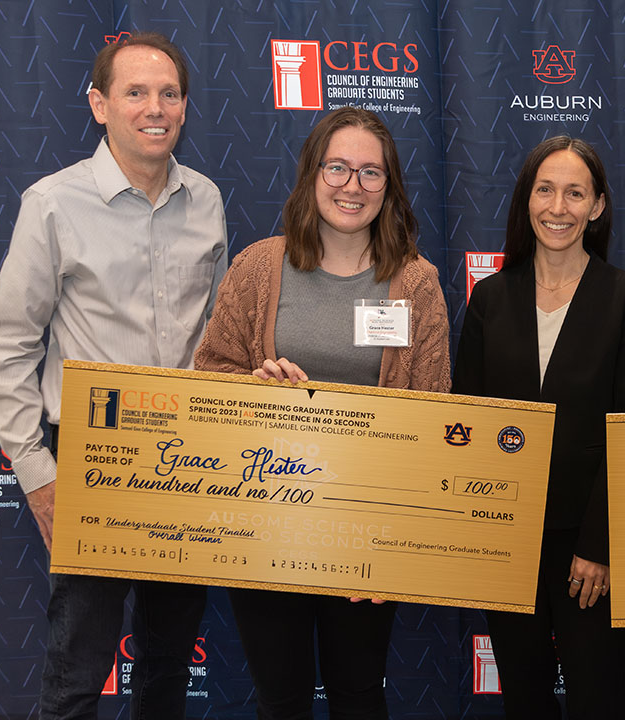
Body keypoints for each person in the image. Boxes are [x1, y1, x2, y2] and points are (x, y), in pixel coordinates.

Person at [0, 32, 226, 719]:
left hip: (186, 461)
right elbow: (6, 345)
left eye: (169, 93)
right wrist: (40, 474)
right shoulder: (53, 204)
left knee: (169, 665)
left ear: (184, 106)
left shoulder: (206, 201)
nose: (156, 108)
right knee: (77, 673)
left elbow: (218, 339)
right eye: (136, 92)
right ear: (99, 104)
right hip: (90, 461)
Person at [194, 106, 449, 719]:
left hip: (367, 530)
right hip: (264, 523)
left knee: (358, 694)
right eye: (337, 167)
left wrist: (392, 547)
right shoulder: (259, 265)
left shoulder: (416, 283)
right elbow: (210, 376)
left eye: (370, 172)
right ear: (313, 174)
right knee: (280, 698)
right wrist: (258, 385)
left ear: (389, 188)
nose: (351, 186)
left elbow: (434, 416)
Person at [453, 136, 625, 719]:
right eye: (545, 190)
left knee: (596, 698)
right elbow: (466, 419)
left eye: (575, 193)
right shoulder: (490, 297)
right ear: (526, 200)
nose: (558, 207)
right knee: (524, 697)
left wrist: (600, 546)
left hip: (588, 547)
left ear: (597, 206)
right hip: (505, 539)